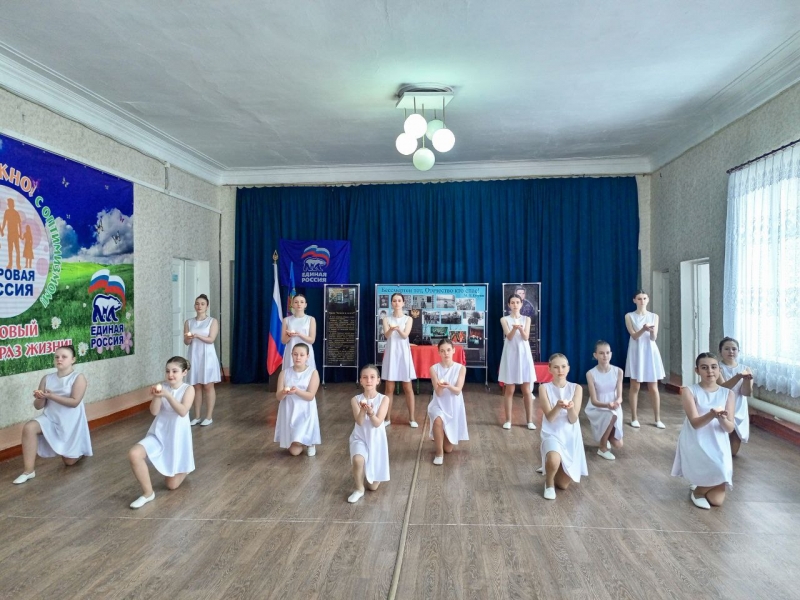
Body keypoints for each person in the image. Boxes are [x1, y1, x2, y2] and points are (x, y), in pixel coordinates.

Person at [12, 345, 92, 484]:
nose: (59, 359)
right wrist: (40, 397)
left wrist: (51, 396)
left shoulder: (78, 378)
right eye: (57, 357)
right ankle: (28, 471)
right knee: (29, 427)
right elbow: (38, 406)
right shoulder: (47, 378)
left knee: (69, 462)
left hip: (70, 422)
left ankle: (80, 451)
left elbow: (74, 402)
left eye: (64, 357)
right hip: (50, 418)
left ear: (73, 359)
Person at [128, 357, 195, 509]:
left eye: (175, 371)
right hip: (159, 433)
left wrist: (168, 395)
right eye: (167, 371)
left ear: (184, 373)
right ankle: (148, 493)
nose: (170, 374)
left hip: (176, 438)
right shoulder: (162, 387)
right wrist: (157, 397)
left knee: (171, 485)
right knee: (134, 454)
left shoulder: (188, 389)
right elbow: (154, 412)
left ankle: (185, 468)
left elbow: (183, 411)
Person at [671, 353, 735, 509]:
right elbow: (695, 423)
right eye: (704, 367)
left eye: (713, 367)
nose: (710, 371)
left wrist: (721, 418)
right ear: (697, 370)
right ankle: (698, 492)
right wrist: (712, 414)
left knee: (717, 500)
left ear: (719, 369)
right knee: (719, 470)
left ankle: (701, 485)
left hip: (718, 440)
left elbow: (730, 428)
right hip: (697, 439)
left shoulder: (728, 393)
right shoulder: (689, 391)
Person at [538, 354, 587, 500]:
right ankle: (548, 483)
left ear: (568, 368)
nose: (560, 370)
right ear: (549, 369)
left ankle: (552, 466)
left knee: (563, 485)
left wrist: (570, 408)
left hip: (570, 436)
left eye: (563, 367)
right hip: (552, 432)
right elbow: (550, 417)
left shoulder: (576, 388)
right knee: (553, 460)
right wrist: (558, 407)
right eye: (556, 367)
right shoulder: (544, 388)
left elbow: (573, 419)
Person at [624, 290, 666, 428]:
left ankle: (657, 419)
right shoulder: (629, 316)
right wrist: (643, 329)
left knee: (653, 387)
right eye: (639, 298)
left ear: (648, 300)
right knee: (635, 386)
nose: (642, 301)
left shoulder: (654, 316)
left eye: (644, 298)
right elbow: (634, 336)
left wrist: (652, 331)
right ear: (634, 300)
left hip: (650, 351)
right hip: (636, 352)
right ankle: (634, 418)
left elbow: (653, 338)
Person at [348, 365, 390, 503]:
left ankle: (371, 474)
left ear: (378, 380)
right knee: (357, 459)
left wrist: (371, 413)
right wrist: (363, 410)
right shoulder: (355, 399)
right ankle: (359, 488)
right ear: (361, 380)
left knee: (373, 487)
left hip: (376, 440)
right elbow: (359, 422)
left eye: (372, 377)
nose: (369, 380)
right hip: (360, 437)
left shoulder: (384, 399)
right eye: (365, 377)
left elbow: (377, 423)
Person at [275, 343, 321, 457]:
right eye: (295, 354)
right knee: (295, 452)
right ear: (291, 355)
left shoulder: (313, 373)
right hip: (290, 410)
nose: (298, 357)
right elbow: (278, 396)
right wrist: (284, 392)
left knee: (299, 439)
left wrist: (297, 391)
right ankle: (299, 441)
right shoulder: (284, 373)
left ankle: (310, 442)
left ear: (307, 356)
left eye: (301, 355)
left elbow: (310, 396)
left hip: (305, 411)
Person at [498, 294, 536, 430]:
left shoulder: (527, 319)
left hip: (524, 355)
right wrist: (514, 328)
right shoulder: (504, 319)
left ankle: (529, 421)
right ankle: (508, 420)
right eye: (512, 302)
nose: (515, 305)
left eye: (517, 302)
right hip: (511, 354)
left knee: (526, 389)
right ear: (509, 305)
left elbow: (526, 337)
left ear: (521, 304)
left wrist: (520, 328)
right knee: (510, 389)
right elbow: (509, 337)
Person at [428, 339, 469, 465]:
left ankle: (440, 435)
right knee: (437, 419)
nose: (446, 353)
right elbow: (439, 393)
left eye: (448, 350)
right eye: (442, 351)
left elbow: (457, 391)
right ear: (439, 353)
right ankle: (438, 453)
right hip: (438, 404)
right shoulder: (434, 369)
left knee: (449, 449)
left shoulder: (461, 368)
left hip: (453, 407)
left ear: (453, 351)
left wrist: (448, 385)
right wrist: (440, 386)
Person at [381, 293, 417, 427]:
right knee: (389, 388)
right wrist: (391, 329)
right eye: (394, 301)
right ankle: (387, 418)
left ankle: (412, 418)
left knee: (408, 387)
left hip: (403, 355)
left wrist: (398, 329)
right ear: (391, 303)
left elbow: (405, 335)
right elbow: (387, 335)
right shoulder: (386, 319)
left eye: (399, 300)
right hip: (391, 355)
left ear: (403, 303)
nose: (397, 303)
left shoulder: (408, 319)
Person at [185, 294, 221, 426]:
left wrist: (197, 336)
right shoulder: (189, 322)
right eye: (197, 303)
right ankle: (197, 416)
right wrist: (189, 338)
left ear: (207, 306)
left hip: (207, 356)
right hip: (194, 355)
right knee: (196, 386)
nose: (199, 306)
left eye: (202, 304)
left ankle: (209, 416)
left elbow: (211, 339)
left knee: (208, 385)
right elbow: (186, 342)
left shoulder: (212, 321)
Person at [585, 341, 624, 460]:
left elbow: (620, 397)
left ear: (611, 354)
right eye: (601, 353)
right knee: (611, 415)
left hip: (614, 407)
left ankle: (605, 437)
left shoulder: (618, 371)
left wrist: (617, 402)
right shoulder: (591, 374)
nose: (605, 356)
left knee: (618, 444)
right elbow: (594, 401)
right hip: (598, 407)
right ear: (595, 355)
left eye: (607, 353)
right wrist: (607, 405)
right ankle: (602, 448)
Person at [716, 337, 752, 456]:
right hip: (723, 404)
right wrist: (738, 377)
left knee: (733, 452)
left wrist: (746, 380)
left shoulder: (745, 369)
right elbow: (723, 388)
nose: (731, 351)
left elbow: (746, 392)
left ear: (738, 351)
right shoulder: (717, 367)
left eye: (734, 349)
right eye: (727, 349)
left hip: (739, 406)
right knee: (721, 438)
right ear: (720, 351)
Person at [282, 294, 317, 372]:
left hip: (305, 351)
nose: (299, 304)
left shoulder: (311, 319)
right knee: (290, 372)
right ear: (292, 304)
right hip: (291, 350)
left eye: (302, 302)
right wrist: (290, 335)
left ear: (305, 305)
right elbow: (283, 341)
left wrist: (299, 335)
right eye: (296, 302)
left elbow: (312, 340)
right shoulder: (286, 320)